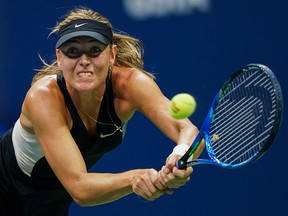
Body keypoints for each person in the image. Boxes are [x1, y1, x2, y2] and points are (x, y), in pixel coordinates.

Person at [0, 7, 203, 216]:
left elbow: (188, 131)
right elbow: (80, 188)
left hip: (51, 201)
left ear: (112, 55)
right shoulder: (43, 97)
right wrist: (136, 178)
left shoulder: (131, 85)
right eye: (73, 51)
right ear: (59, 58)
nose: (84, 60)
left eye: (95, 49)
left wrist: (179, 159)